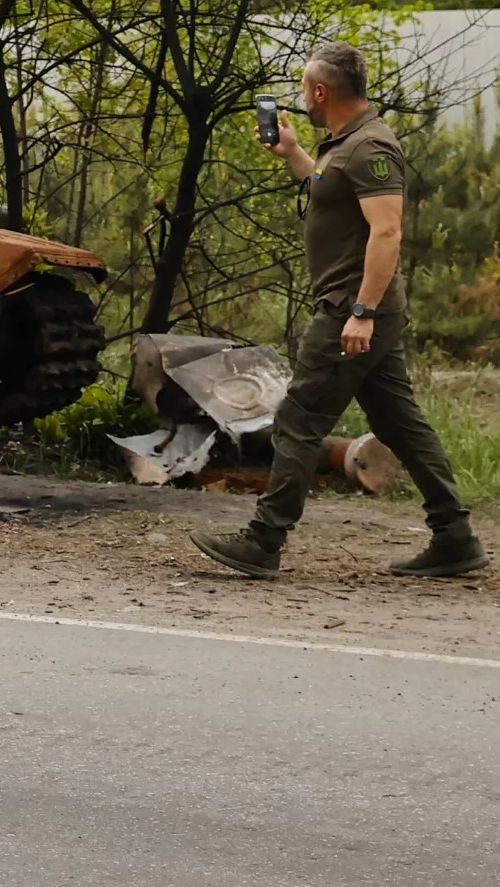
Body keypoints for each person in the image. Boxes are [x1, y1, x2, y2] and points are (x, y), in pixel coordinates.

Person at [192, 43, 485, 581]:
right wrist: (296, 156)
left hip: (352, 310)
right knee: (401, 424)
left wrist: (363, 310)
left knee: (299, 419)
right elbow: (331, 191)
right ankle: (455, 536)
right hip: (359, 307)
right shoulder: (345, 145)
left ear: (320, 92)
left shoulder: (371, 147)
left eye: (305, 89)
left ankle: (263, 541)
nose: (302, 98)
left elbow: (387, 230)